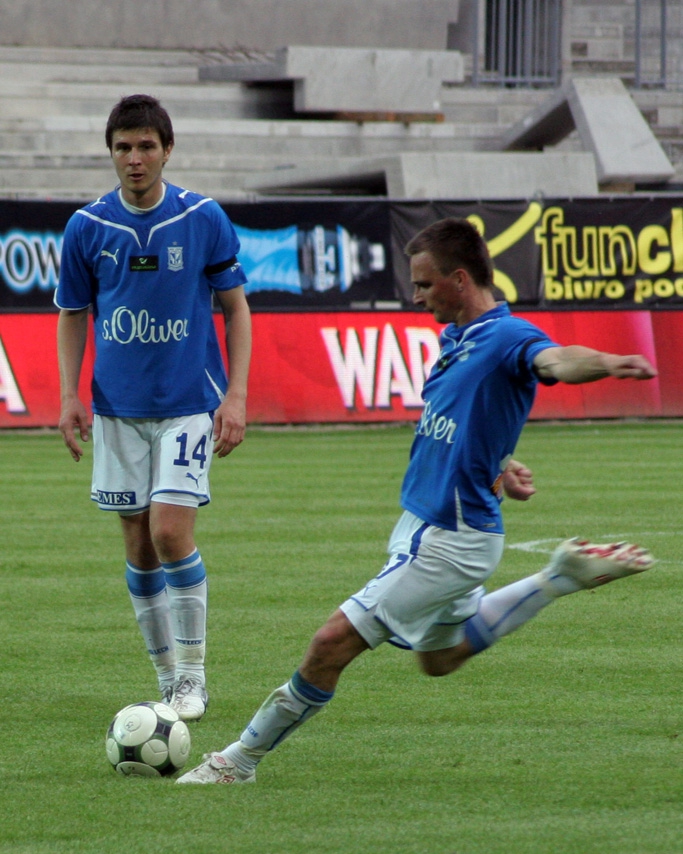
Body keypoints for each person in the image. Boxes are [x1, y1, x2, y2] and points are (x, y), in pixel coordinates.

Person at [176, 216, 655, 784]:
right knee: (439, 657)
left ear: (459, 278)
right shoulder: (457, 340)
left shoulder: (507, 336)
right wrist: (501, 461)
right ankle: (558, 578)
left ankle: (239, 761)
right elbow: (468, 418)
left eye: (425, 284)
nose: (416, 295)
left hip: (449, 540)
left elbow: (554, 359)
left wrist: (607, 362)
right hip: (434, 527)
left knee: (331, 643)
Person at [56, 94, 252, 722]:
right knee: (138, 544)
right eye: (123, 147)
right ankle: (166, 679)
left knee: (171, 532)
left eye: (145, 146)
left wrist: (238, 395)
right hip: (117, 409)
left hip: (189, 402)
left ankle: (194, 677)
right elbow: (72, 313)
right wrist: (68, 395)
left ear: (167, 150)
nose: (134, 159)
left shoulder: (203, 218)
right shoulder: (88, 227)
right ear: (110, 153)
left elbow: (235, 308)